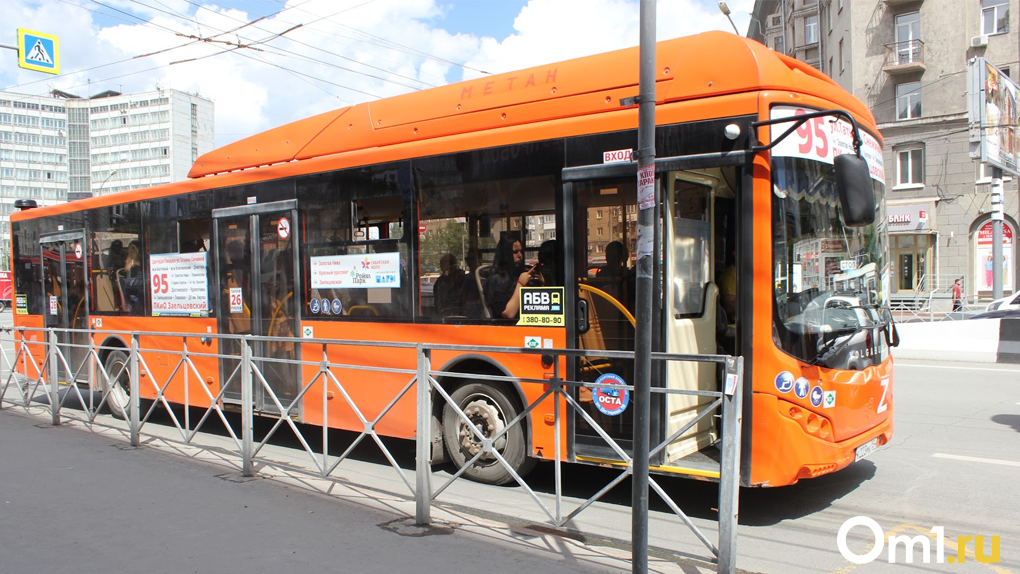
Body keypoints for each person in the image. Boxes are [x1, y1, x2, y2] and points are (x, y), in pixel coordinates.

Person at [485, 235, 540, 319]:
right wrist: (521, 284)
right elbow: (507, 314)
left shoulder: (518, 273)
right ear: (506, 254)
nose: (520, 255)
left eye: (521, 251)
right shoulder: (498, 279)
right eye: (515, 252)